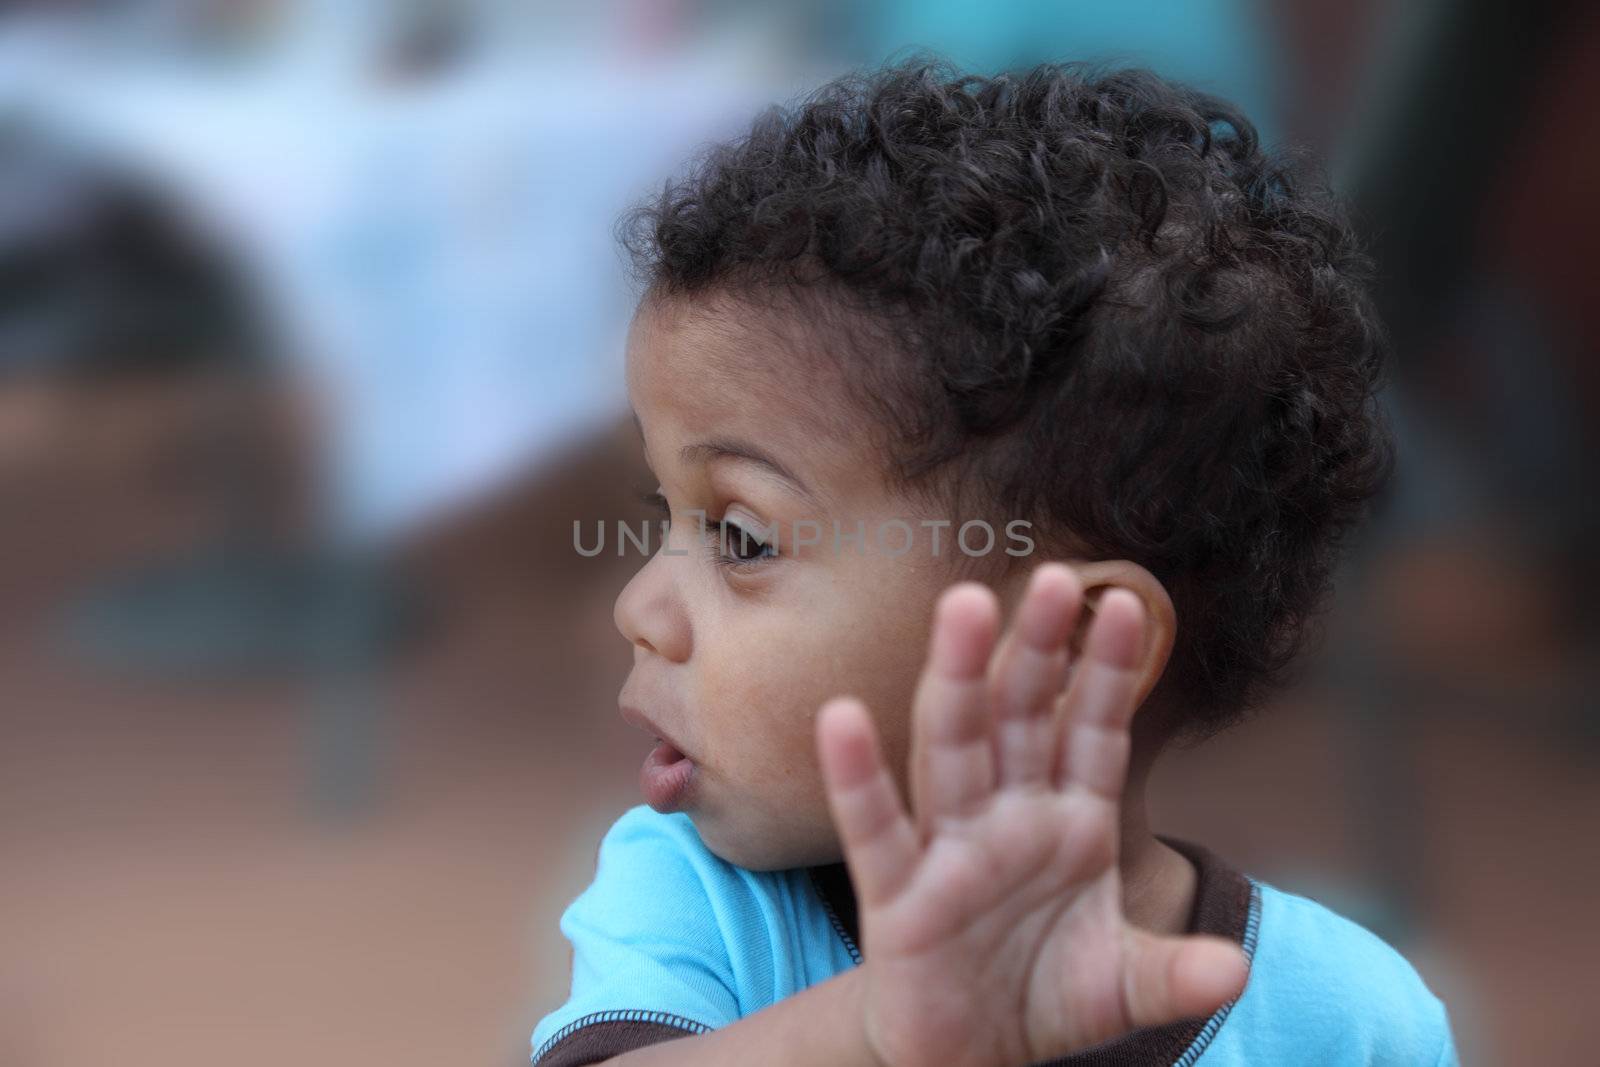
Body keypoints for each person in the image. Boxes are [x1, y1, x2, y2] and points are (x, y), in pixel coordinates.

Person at [530, 58, 1459, 1066]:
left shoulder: (1347, 1022)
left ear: (1062, 646)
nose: (638, 606)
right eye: (660, 509)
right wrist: (871, 1028)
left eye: (742, 537)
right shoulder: (701, 901)